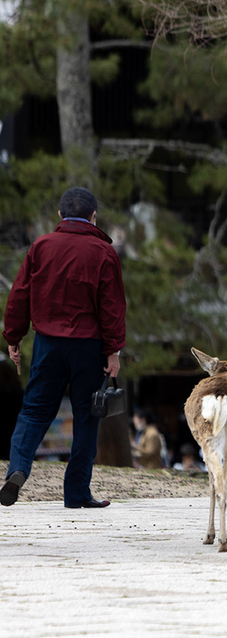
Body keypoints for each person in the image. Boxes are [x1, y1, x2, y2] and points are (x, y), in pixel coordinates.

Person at [1, 187, 125, 509]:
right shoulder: (104, 252)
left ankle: (17, 469)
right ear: (93, 216)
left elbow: (20, 295)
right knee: (87, 416)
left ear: (59, 216)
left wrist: (13, 337)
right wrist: (112, 351)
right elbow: (112, 308)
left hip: (48, 344)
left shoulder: (40, 246)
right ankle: (77, 493)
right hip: (88, 347)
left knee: (34, 411)